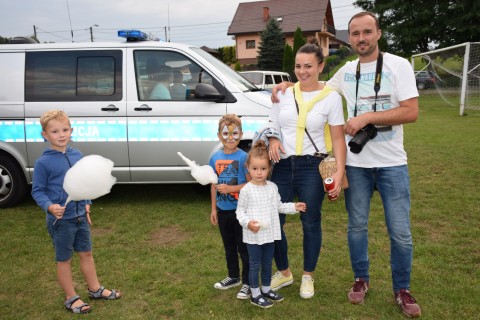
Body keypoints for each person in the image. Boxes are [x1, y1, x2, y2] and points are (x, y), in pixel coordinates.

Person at [271, 11, 421, 318]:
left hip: (392, 163)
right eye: (355, 33)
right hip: (356, 164)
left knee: (400, 232)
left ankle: (402, 289)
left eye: (367, 32)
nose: (361, 38)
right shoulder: (347, 70)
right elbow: (316, 82)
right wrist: (287, 84)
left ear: (378, 33)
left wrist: (367, 117)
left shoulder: (398, 65)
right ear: (349, 37)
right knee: (356, 228)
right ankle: (360, 280)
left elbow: (411, 111)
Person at [267, 39, 346, 299]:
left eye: (309, 66)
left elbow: (337, 138)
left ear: (320, 66)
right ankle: (285, 272)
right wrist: (274, 138)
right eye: (298, 66)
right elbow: (273, 122)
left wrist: (339, 171)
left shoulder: (331, 98)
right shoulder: (284, 93)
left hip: (313, 166)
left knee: (310, 222)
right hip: (282, 165)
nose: (303, 71)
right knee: (274, 220)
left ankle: (308, 276)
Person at [31, 110, 121, 314]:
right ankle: (70, 297)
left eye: (65, 130)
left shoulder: (77, 155)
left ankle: (95, 289)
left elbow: (85, 183)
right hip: (61, 220)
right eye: (55, 131)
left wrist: (87, 202)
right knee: (64, 259)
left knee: (87, 253)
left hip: (80, 215)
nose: (61, 135)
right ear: (45, 135)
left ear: (71, 131)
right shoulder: (43, 163)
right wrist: (49, 206)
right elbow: (37, 191)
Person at [236, 140, 306, 308]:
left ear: (269, 169)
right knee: (255, 264)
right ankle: (255, 294)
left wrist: (294, 207)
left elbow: (279, 206)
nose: (259, 173)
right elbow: (240, 212)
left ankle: (266, 289)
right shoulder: (246, 190)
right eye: (255, 169)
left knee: (267, 263)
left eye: (263, 169)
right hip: (253, 235)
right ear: (248, 168)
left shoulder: (273, 187)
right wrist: (248, 223)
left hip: (270, 234)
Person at [208, 114, 251, 300]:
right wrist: (214, 209)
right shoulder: (215, 158)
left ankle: (248, 282)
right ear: (219, 136)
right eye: (226, 133)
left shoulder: (244, 158)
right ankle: (233, 277)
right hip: (223, 211)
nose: (230, 137)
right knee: (229, 247)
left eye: (235, 133)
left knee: (244, 248)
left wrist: (231, 188)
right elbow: (212, 184)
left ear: (240, 135)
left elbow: (252, 184)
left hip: (241, 212)